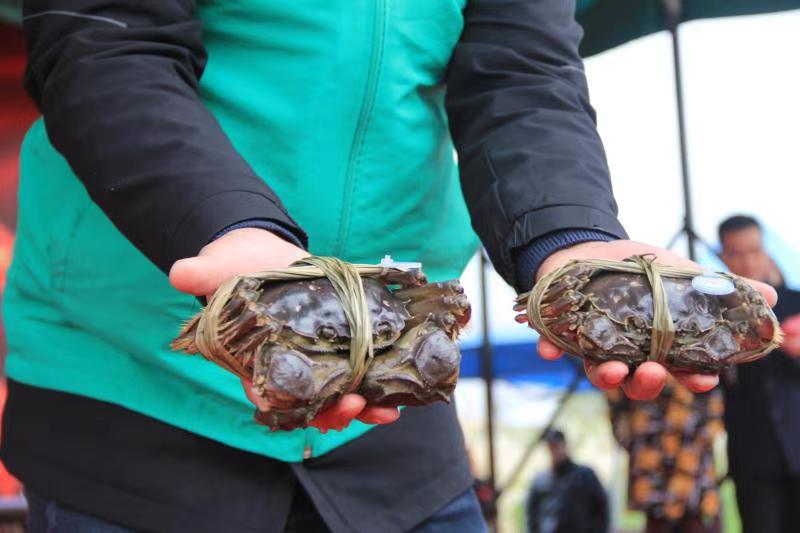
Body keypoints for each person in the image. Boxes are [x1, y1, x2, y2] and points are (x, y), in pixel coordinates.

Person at [0, 1, 774, 531]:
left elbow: (521, 74)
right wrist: (234, 230)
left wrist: (571, 237)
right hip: (131, 385)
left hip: (392, 392)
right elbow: (108, 38)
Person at [717, 215, 800, 533]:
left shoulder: (795, 302)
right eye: (736, 252)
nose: (747, 260)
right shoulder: (712, 315)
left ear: (765, 250)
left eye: (754, 250)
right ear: (724, 257)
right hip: (751, 457)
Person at [607, 377, 724, 533]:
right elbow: (615, 398)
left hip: (692, 457)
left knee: (697, 521)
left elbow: (716, 396)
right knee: (658, 522)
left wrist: (706, 430)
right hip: (653, 457)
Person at [525, 429, 609, 533]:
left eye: (556, 446)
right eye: (550, 447)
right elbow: (531, 516)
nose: (553, 451)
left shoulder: (584, 475)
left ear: (564, 445)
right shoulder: (540, 481)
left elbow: (601, 509)